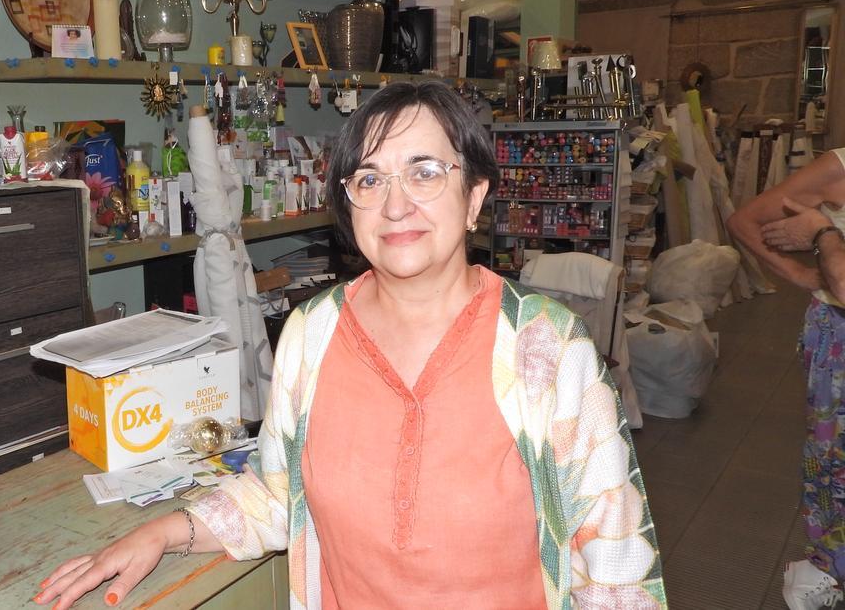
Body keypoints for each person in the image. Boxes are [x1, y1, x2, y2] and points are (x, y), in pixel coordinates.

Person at [36, 81, 665, 609]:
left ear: (474, 196)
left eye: (425, 171)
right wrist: (164, 530)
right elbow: (279, 493)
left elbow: (614, 562)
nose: (396, 204)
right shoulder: (312, 335)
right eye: (369, 178)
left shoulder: (548, 347)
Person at [728, 147, 845, 609]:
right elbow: (744, 222)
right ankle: (826, 566)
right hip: (839, 335)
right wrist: (802, 273)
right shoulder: (839, 168)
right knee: (833, 461)